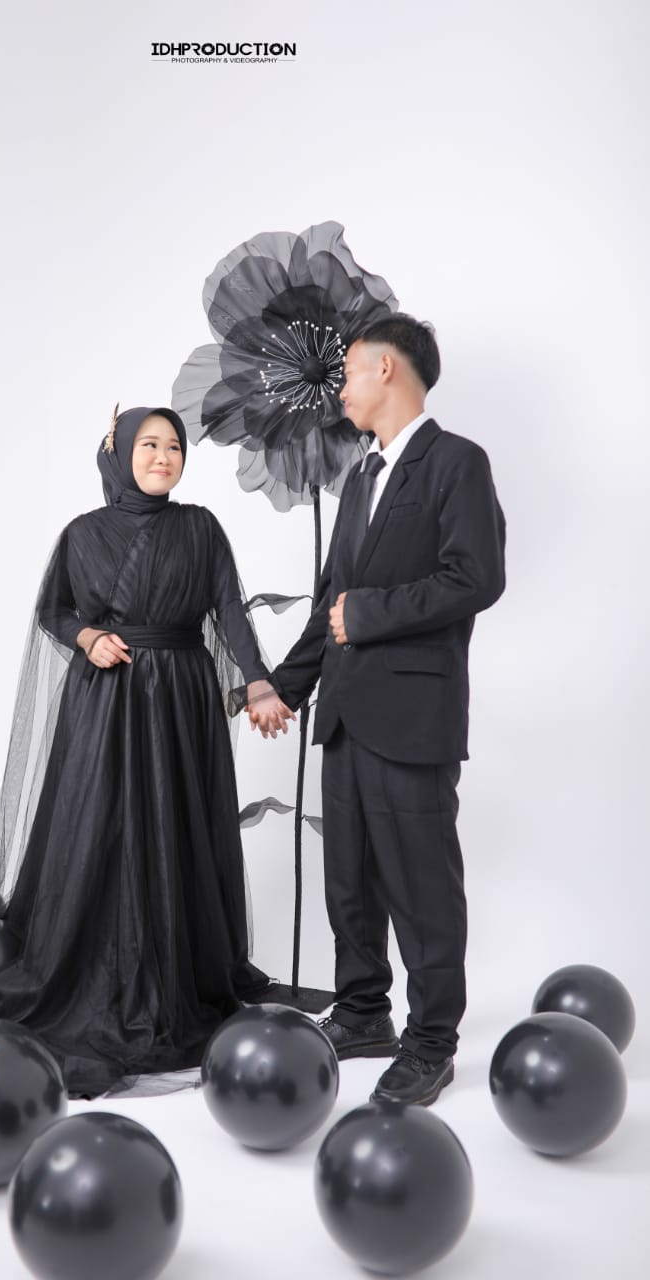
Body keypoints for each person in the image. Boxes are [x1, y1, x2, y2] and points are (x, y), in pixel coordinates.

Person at [0, 405, 276, 1098]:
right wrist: (88, 638)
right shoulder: (82, 534)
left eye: (174, 447)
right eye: (149, 445)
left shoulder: (201, 528)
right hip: (107, 696)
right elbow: (54, 610)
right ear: (121, 453)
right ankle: (97, 969)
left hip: (182, 697)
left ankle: (173, 973)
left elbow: (228, 609)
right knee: (100, 825)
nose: (164, 457)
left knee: (174, 825)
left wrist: (257, 681)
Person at [249, 315, 506, 1106]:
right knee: (350, 884)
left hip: (412, 718)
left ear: (386, 369)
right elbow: (330, 599)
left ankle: (430, 1043)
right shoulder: (359, 476)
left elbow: (476, 577)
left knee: (420, 888)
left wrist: (368, 614)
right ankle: (363, 1013)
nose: (341, 388)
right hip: (345, 717)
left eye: (350, 371)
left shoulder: (455, 462)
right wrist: (281, 686)